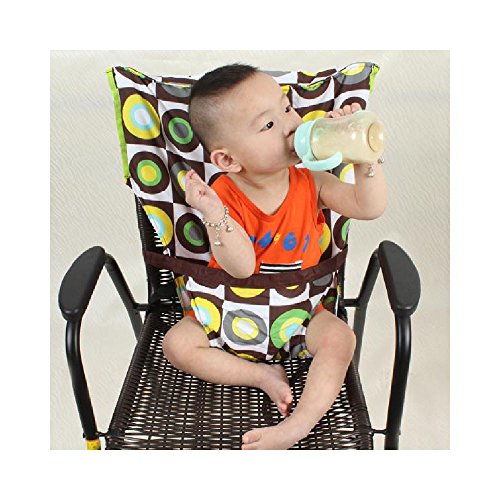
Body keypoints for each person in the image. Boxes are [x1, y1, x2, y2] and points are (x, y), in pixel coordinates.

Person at [162, 63, 387, 450]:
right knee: (176, 345)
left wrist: (364, 158)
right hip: (228, 310)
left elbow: (369, 207)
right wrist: (214, 215)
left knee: (340, 339)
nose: (289, 125)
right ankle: (261, 376)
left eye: (286, 108)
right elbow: (242, 268)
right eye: (268, 124)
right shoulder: (223, 195)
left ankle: (298, 424)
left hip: (298, 311)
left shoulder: (312, 182)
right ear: (229, 160)